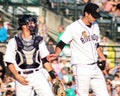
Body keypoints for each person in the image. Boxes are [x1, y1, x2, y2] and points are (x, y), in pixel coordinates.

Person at [50, 3, 109, 96]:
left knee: (104, 94)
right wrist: (56, 54)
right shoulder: (73, 27)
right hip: (81, 67)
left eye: (96, 15)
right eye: (93, 15)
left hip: (95, 66)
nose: (95, 18)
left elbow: (96, 44)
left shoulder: (95, 25)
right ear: (86, 13)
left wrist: (103, 59)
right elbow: (61, 43)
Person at [4, 14, 57, 96]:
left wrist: (53, 76)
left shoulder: (39, 40)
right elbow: (9, 62)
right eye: (31, 23)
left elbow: (45, 59)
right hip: (22, 76)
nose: (34, 25)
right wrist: (17, 76)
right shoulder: (13, 41)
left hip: (38, 74)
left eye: (34, 23)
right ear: (23, 26)